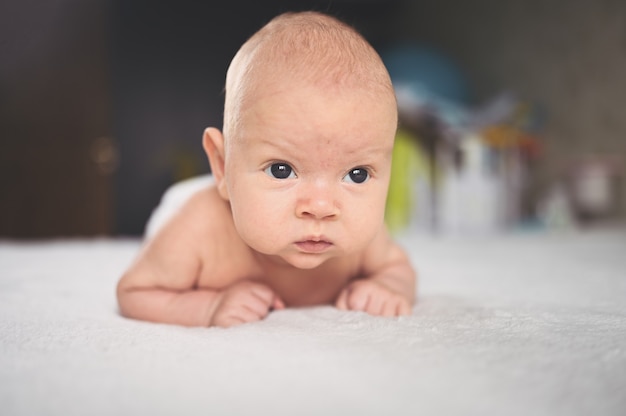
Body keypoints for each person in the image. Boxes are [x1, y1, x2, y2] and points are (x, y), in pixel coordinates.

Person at [116, 11, 417, 328]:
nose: (321, 207)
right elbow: (135, 291)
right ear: (221, 165)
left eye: (356, 174)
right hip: (190, 201)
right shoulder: (196, 229)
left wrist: (388, 288)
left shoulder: (362, 235)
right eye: (281, 170)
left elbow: (397, 269)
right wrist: (207, 307)